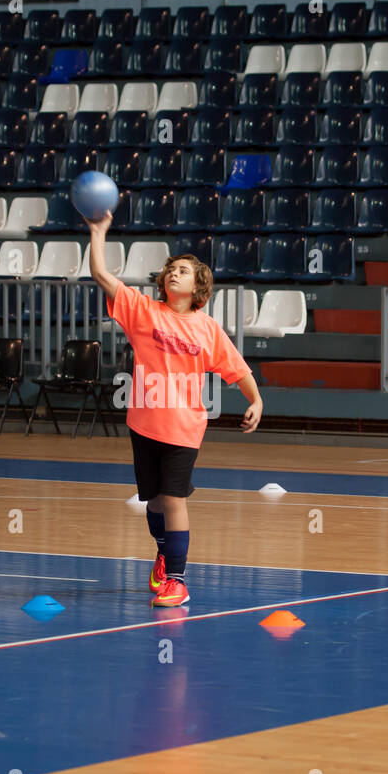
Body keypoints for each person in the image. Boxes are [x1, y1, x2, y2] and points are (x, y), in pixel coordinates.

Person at [84, 212, 263, 607]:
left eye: (183, 271)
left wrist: (257, 400)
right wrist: (98, 232)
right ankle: (164, 554)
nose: (174, 274)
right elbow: (100, 274)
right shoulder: (144, 312)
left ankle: (178, 580)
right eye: (171, 270)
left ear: (199, 287)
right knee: (153, 501)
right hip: (144, 423)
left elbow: (237, 368)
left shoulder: (207, 328)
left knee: (174, 498)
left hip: (184, 427)